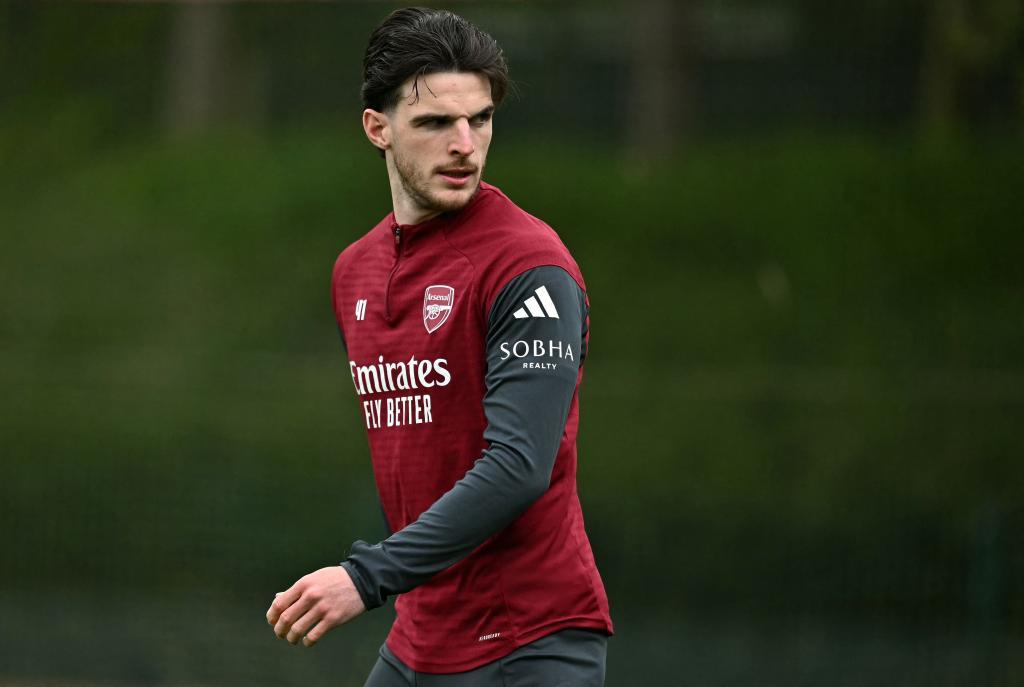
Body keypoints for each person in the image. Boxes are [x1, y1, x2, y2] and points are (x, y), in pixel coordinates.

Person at [266, 8, 613, 685]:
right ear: (378, 128)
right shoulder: (354, 271)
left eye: (479, 119)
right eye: (434, 123)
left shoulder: (530, 268)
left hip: (529, 641)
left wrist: (365, 575)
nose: (464, 144)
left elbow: (518, 467)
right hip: (419, 638)